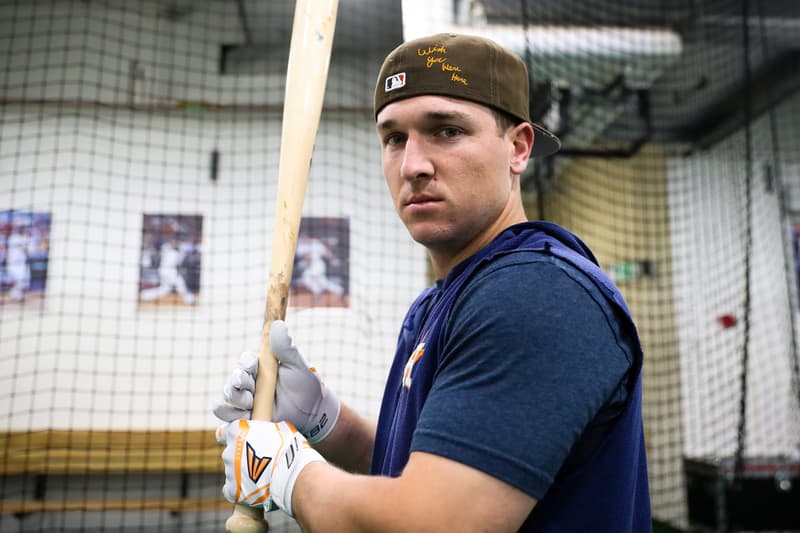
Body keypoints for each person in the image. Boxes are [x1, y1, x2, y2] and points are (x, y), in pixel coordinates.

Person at [214, 32, 651, 532]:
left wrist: (294, 479)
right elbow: (429, 465)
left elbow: (438, 521)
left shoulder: (537, 293)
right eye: (394, 138)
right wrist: (324, 420)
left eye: (446, 131)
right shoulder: (442, 301)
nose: (412, 165)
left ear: (519, 148)